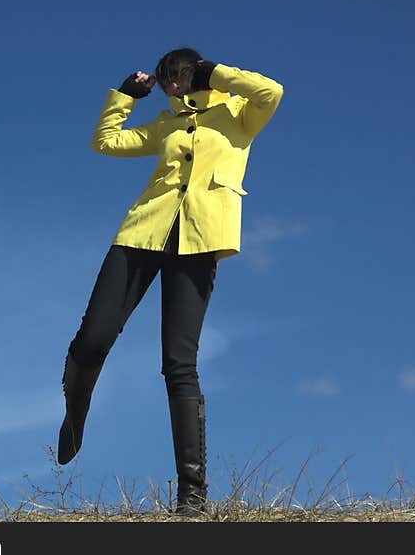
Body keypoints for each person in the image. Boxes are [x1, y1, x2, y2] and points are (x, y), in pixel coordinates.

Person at [57, 47, 284, 517]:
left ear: (195, 72)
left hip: (200, 241)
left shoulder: (239, 115)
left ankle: (193, 497)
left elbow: (272, 90)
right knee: (91, 341)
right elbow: (106, 142)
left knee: (179, 363)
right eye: (165, 81)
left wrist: (214, 72)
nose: (171, 88)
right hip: (141, 235)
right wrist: (123, 97)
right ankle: (75, 415)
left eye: (176, 77)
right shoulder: (166, 124)